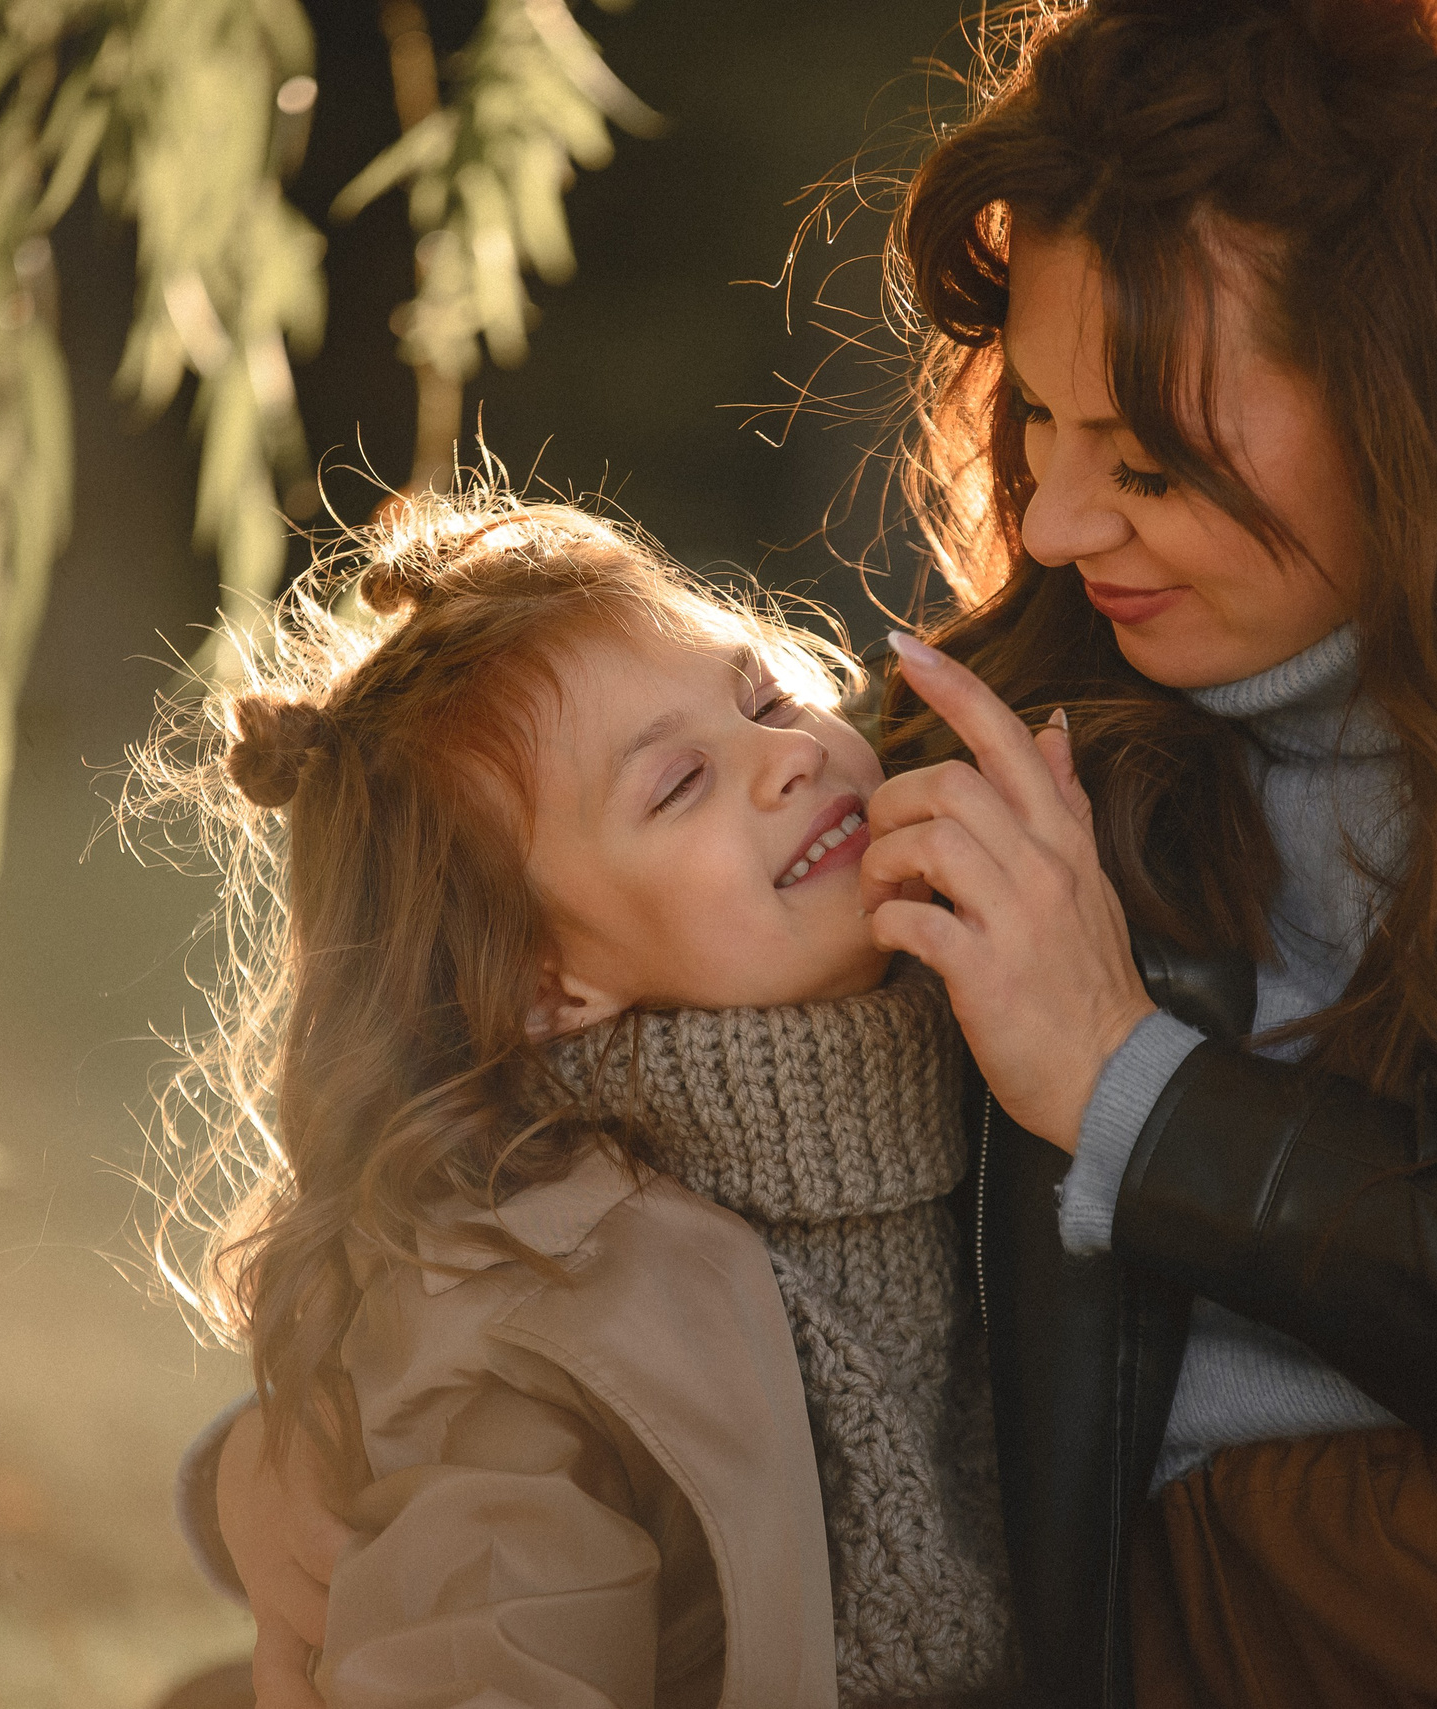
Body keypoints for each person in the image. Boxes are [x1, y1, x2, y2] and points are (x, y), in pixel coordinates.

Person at [210, 0, 1437, 1703]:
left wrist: (1137, 1098)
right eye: (1035, 418)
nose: (1067, 514)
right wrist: (302, 1446)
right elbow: (574, 1079)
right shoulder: (1014, 732)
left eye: (1154, 453)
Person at [141, 488, 1014, 1709]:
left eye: (764, 696)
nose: (789, 754)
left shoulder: (1013, 1032)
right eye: (677, 785)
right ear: (548, 982)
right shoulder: (544, 1311)